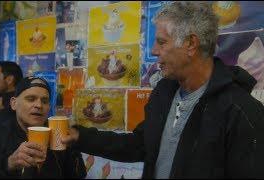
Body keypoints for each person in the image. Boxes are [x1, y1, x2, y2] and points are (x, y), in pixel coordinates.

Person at [62, 2, 264, 179]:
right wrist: (80, 137)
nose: (153, 50)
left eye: (161, 41)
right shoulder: (164, 92)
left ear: (191, 44)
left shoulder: (241, 111)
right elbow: (142, 144)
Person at [0, 77, 86, 178]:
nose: (38, 105)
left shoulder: (58, 135)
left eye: (45, 101)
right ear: (14, 103)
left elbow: (78, 175)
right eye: (31, 99)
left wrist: (73, 151)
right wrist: (7, 163)